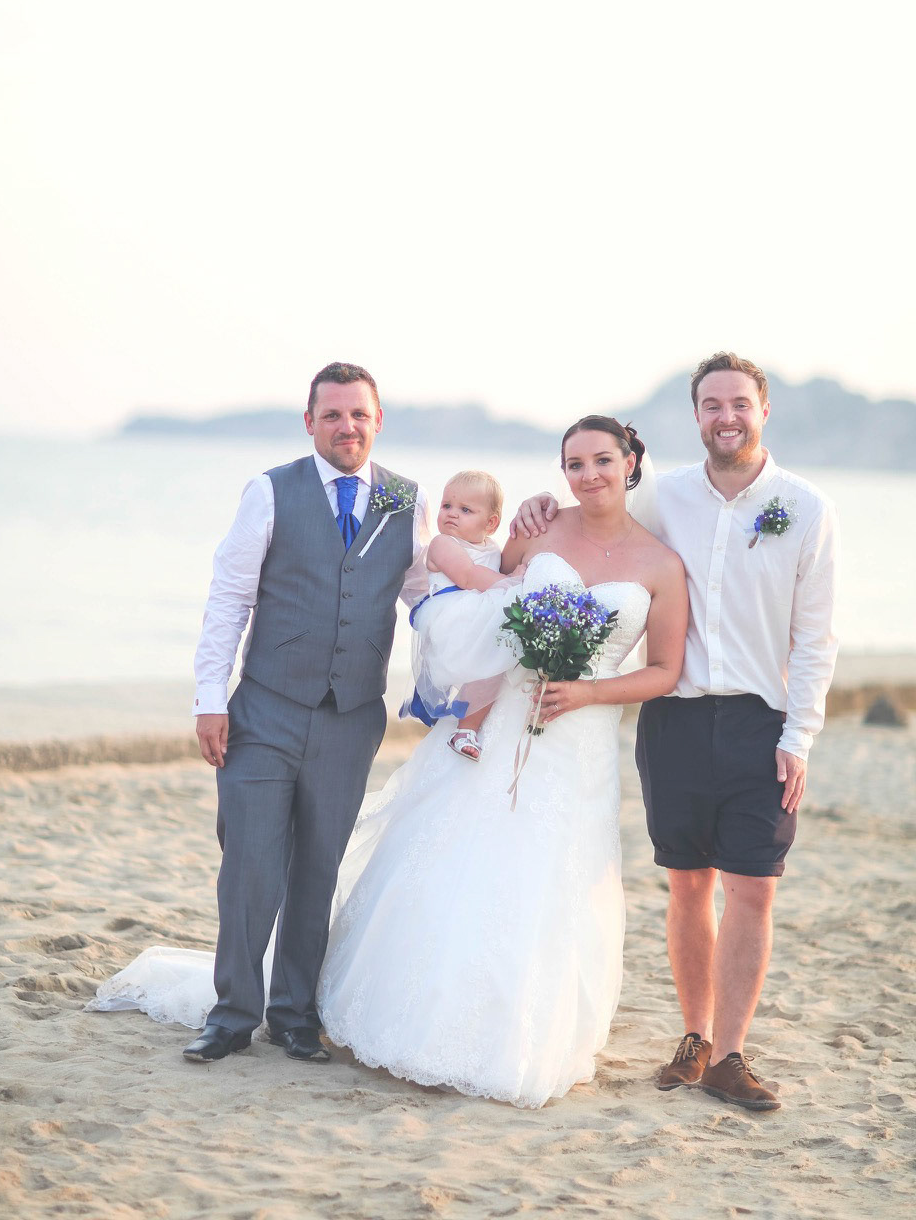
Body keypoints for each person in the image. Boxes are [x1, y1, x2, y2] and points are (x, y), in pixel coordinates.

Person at [315, 416, 687, 1107]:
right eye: (573, 464)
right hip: (502, 718)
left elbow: (664, 670)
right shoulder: (540, 528)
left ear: (631, 463)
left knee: (551, 872)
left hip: (580, 735)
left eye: (602, 460)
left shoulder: (662, 565)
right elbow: (487, 592)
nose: (588, 475)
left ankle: (522, 1033)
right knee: (460, 850)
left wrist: (587, 691)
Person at [512, 354, 839, 1112]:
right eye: (711, 405)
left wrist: (799, 738)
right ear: (696, 416)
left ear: (762, 410)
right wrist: (535, 507)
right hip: (676, 718)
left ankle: (730, 1055)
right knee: (688, 885)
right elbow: (598, 517)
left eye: (739, 403)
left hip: (762, 721)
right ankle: (694, 1039)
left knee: (753, 888)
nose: (726, 416)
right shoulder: (665, 497)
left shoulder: (806, 508)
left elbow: (816, 638)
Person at [182, 361, 430, 1063]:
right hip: (265, 709)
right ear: (310, 422)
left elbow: (427, 599)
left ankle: (294, 1016)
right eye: (332, 415)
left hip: (352, 716)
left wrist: (452, 685)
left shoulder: (407, 500)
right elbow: (230, 596)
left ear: (377, 421)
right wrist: (209, 699)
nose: (346, 426)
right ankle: (232, 1015)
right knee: (250, 866)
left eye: (358, 415)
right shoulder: (270, 491)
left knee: (319, 869)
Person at [403, 468, 523, 761]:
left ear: (491, 523)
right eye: (446, 506)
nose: (452, 514)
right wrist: (516, 583)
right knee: (492, 655)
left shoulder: (492, 548)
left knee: (494, 665)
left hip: (475, 616)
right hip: (452, 616)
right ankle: (465, 728)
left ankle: (467, 728)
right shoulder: (442, 544)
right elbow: (468, 576)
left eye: (465, 510)